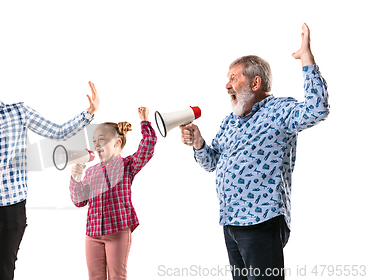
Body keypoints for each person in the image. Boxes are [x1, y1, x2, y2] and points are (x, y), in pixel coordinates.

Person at [180, 24, 329, 279]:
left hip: (261, 221)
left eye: (234, 78)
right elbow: (212, 162)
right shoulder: (231, 121)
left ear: (255, 82)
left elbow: (318, 109)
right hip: (231, 222)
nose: (227, 85)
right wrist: (199, 143)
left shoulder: (280, 111)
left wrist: (306, 58)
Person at [0, 71, 100, 280]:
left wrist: (89, 112)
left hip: (9, 210)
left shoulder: (19, 112)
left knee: (2, 274)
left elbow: (58, 132)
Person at [69, 107, 157, 280]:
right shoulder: (91, 172)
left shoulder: (127, 165)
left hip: (117, 231)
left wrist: (145, 122)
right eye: (94, 141)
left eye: (102, 140)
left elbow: (147, 148)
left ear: (117, 143)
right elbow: (79, 201)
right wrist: (75, 178)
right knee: (95, 277)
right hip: (93, 233)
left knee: (117, 276)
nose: (97, 144)